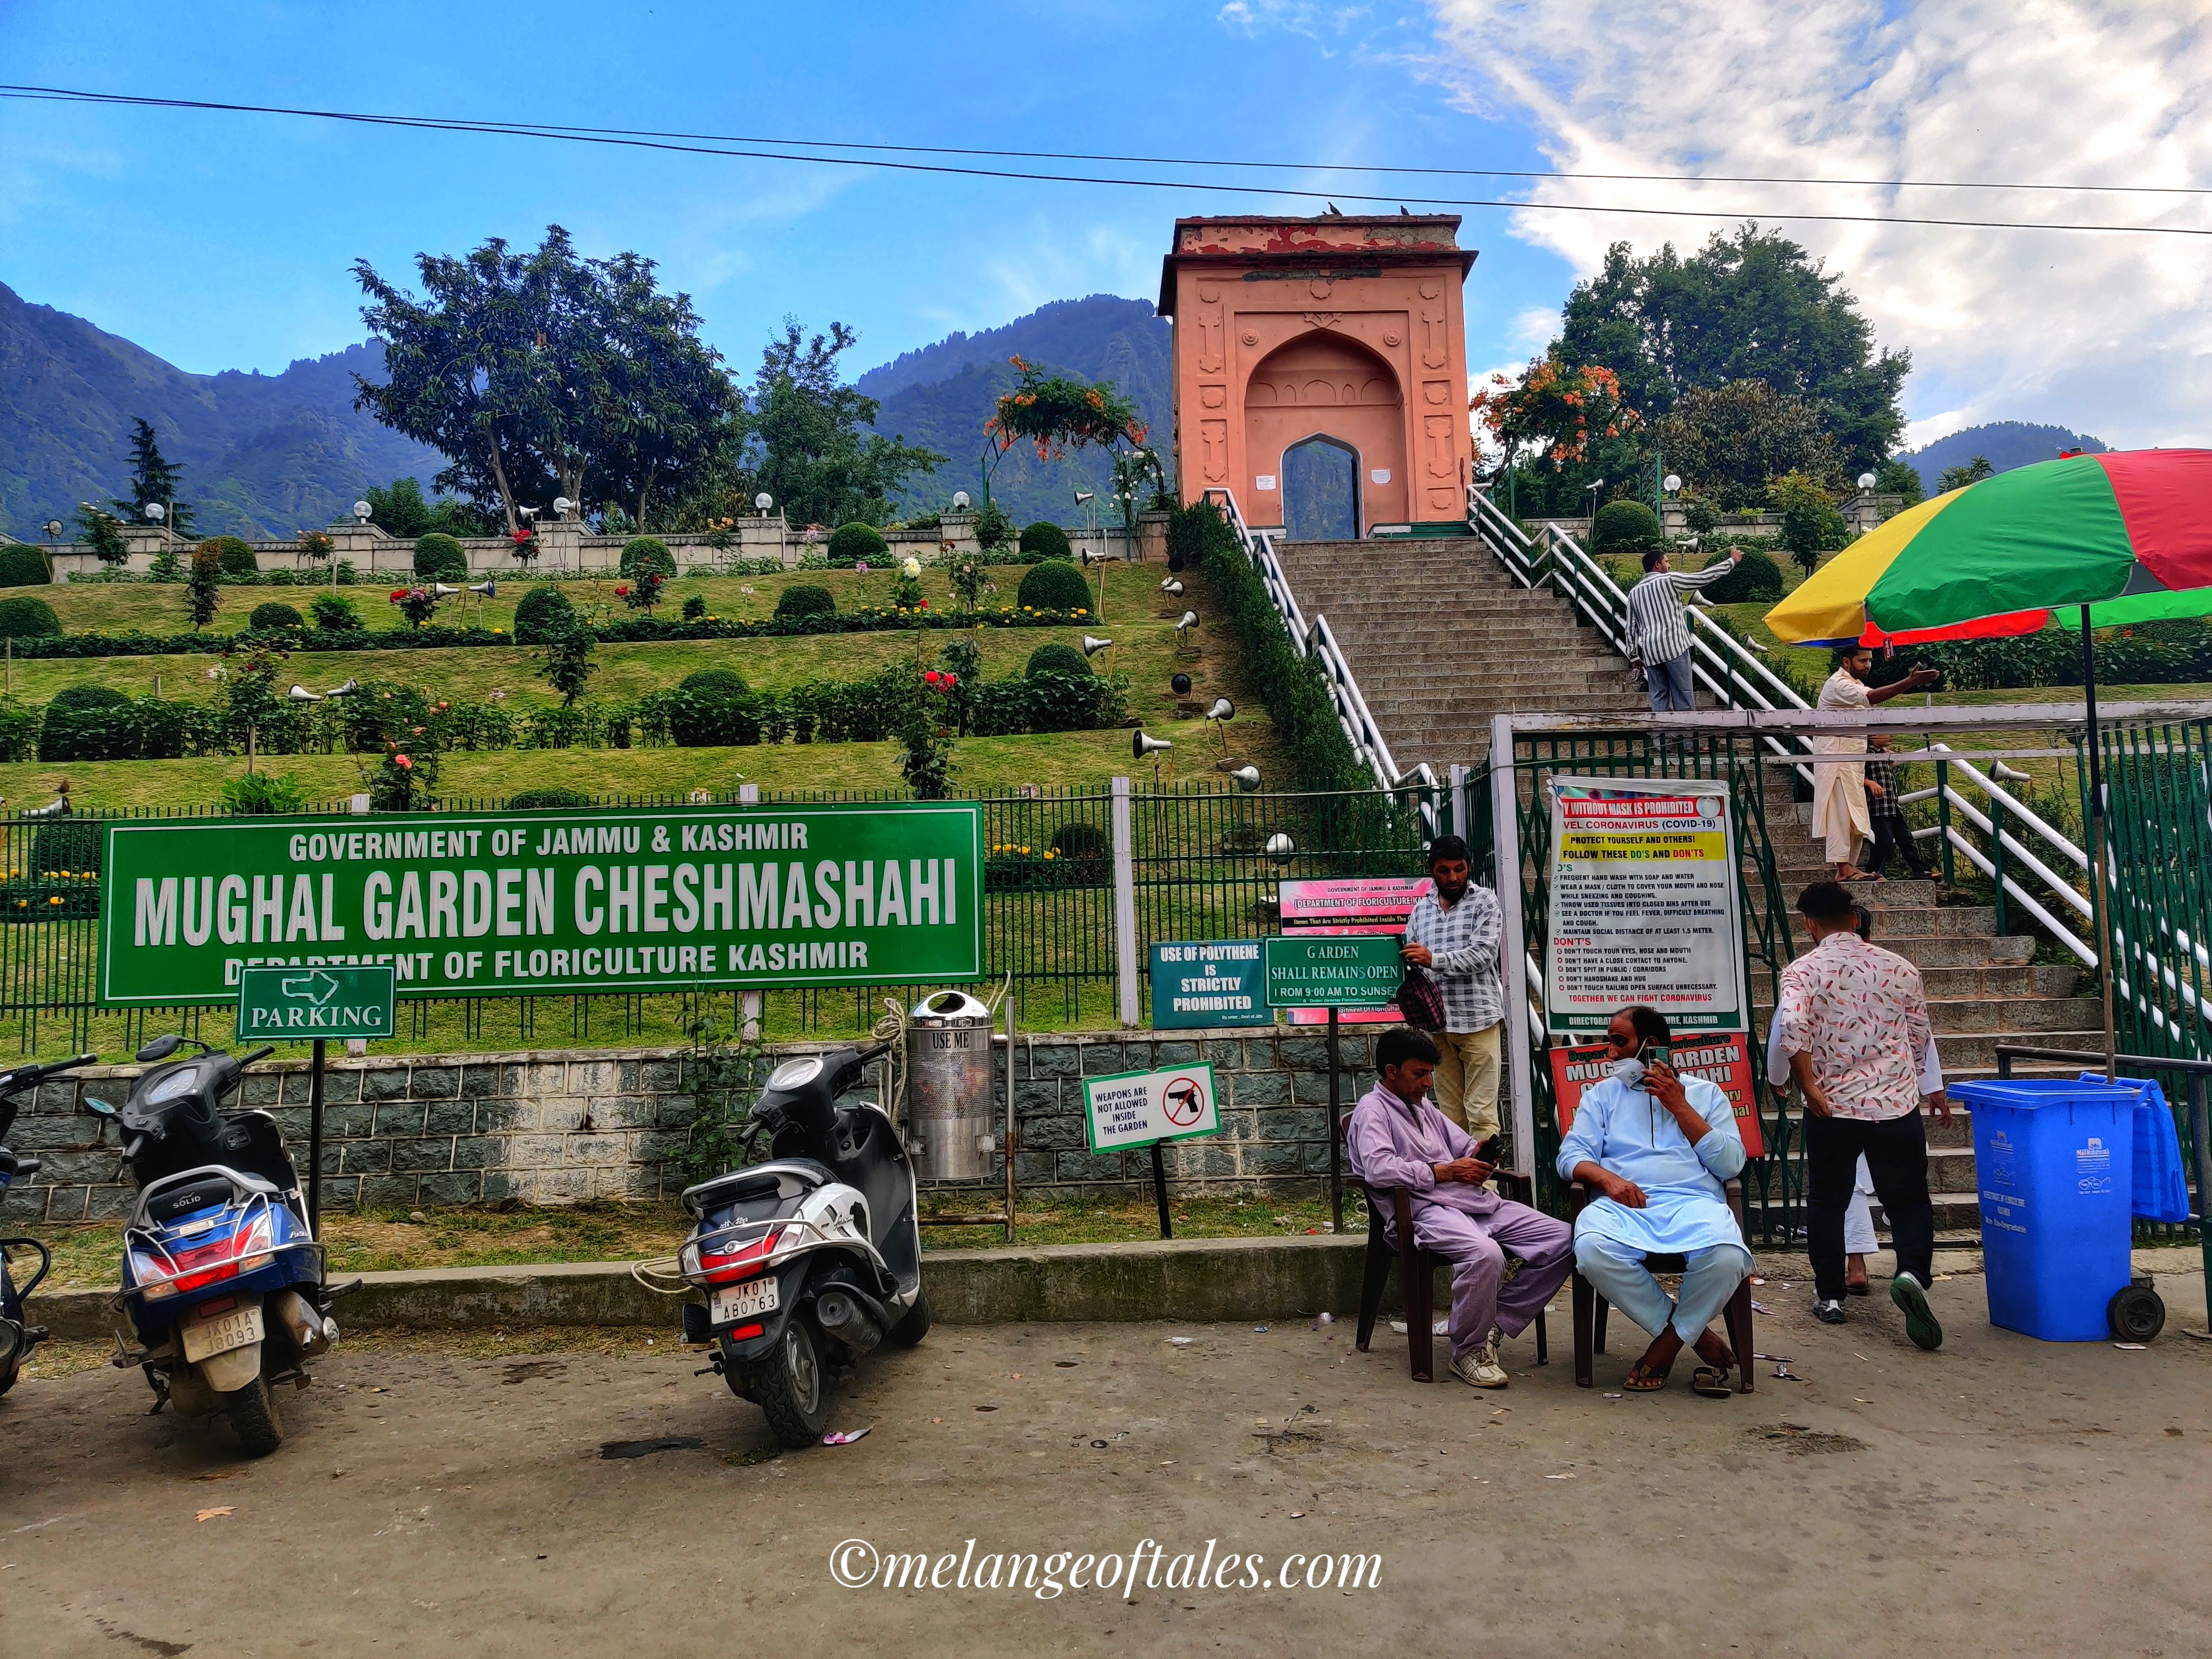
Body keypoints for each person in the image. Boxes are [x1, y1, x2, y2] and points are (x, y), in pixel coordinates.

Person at [1345, 1026, 1574, 1389]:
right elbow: (1378, 1169)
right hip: (1424, 1210)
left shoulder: (1424, 1109)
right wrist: (1445, 1171)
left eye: (1430, 1073)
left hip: (1473, 1202)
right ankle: (1468, 1349)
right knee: (1486, 1255)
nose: (1428, 1083)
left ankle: (1495, 1322)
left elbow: (1463, 1144)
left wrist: (1477, 1155)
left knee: (1569, 1238)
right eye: (1419, 1073)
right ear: (1392, 1072)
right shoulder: (1371, 1112)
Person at [1776, 880, 1945, 1349]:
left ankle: (1830, 1296)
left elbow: (1791, 1028)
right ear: (1854, 919)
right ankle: (1912, 1272)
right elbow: (1919, 1035)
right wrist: (1901, 1078)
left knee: (1828, 1200)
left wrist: (1809, 1085)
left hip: (1833, 1107)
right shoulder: (1901, 968)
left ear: (1809, 924)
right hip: (1895, 1105)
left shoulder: (1801, 972)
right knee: (1909, 1199)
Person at [1557, 1004, 1752, 1396]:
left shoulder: (1706, 1094)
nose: (1610, 1053)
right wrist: (1607, 1179)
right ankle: (1688, 1335)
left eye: (1619, 1042)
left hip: (1693, 1204)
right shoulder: (1601, 1096)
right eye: (1609, 1042)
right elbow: (1570, 1157)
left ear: (1654, 1046)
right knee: (1592, 1250)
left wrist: (1679, 1106)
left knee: (1728, 1257)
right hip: (1624, 1204)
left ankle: (1667, 1345)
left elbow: (1732, 1162)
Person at [1400, 834, 1504, 1138]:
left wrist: (1433, 959)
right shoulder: (1421, 910)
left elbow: (1483, 956)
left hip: (1478, 1022)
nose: (1454, 877)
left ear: (1469, 866)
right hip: (1437, 1026)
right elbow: (1412, 956)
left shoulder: (1485, 901)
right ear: (1432, 870)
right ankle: (1459, 1184)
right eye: (1445, 870)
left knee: (1482, 1114)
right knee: (1450, 1116)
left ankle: (1488, 1186)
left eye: (1460, 869)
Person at [1812, 648, 1940, 881]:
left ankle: (1848, 868)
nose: (1868, 665)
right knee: (1841, 815)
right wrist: (1909, 682)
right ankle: (1844, 870)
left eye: (1870, 660)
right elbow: (1871, 698)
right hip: (1836, 761)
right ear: (1846, 662)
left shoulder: (1854, 685)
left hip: (1852, 762)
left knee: (1856, 816)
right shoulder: (1838, 684)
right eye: (1862, 660)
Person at [1624, 545, 1745, 713]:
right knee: (1684, 696)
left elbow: (1630, 627)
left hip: (1651, 652)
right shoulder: (1669, 580)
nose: (1670, 565)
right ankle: (1687, 738)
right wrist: (1731, 562)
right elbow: (1703, 578)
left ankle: (1661, 738)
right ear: (1658, 565)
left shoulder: (1634, 593)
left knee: (1658, 697)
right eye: (1667, 561)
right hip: (1675, 647)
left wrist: (1633, 656)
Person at [1861, 735, 1931, 880]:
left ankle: (1920, 870)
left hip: (1893, 805)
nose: (1889, 737)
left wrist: (1890, 761)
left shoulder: (1883, 754)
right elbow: (1855, 774)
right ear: (1874, 736)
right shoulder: (1866, 753)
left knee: (1906, 839)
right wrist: (1870, 783)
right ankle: (1871, 869)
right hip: (1878, 806)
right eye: (1884, 734)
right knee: (1884, 839)